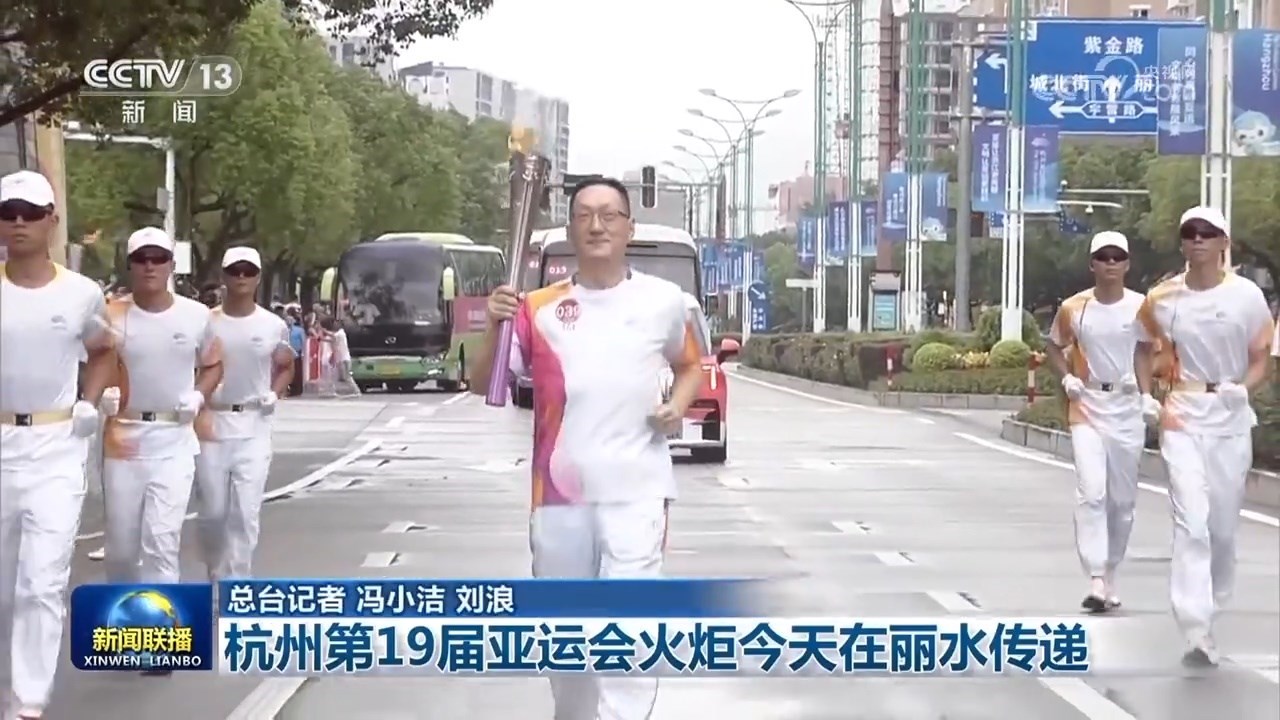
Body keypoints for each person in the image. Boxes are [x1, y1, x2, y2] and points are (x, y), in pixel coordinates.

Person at [468, 176, 703, 720]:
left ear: (629, 228)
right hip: (558, 499)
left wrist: (677, 405)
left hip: (637, 490)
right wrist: (494, 328)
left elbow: (691, 364)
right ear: (571, 228)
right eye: (584, 215)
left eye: (609, 215)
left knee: (630, 626)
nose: (597, 225)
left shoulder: (664, 301)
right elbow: (484, 384)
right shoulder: (536, 308)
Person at [1134, 206, 1273, 667]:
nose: (1198, 240)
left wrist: (1242, 388)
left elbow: (1261, 357)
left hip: (1229, 417)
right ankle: (1195, 624)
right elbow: (1143, 347)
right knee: (1191, 522)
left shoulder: (1247, 296)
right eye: (1190, 233)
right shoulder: (1162, 298)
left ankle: (1212, 607)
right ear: (1182, 242)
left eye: (1207, 233)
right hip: (1182, 414)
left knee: (1222, 530)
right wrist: (1145, 395)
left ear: (1223, 243)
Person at [0, 171, 114, 720]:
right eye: (8, 213)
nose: (18, 222)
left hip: (56, 444)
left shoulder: (81, 293)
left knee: (41, 581)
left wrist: (89, 401)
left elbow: (104, 349)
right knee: (7, 586)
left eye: (30, 212)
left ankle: (28, 701)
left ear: (51, 220)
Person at [98, 227, 222, 677]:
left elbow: (213, 364)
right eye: (141, 258)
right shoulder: (110, 315)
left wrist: (198, 395)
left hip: (174, 437)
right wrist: (98, 395)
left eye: (158, 258)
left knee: (161, 540)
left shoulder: (196, 316)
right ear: (130, 265)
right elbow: (89, 364)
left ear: (171, 264)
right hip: (123, 439)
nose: (150, 266)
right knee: (121, 548)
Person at [1045, 231, 1145, 614]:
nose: (1110, 263)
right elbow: (1054, 344)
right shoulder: (1075, 307)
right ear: (1092, 264)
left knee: (1122, 501)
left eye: (1117, 257)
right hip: (1087, 405)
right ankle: (1096, 578)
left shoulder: (1142, 307)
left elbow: (1156, 350)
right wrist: (1067, 377)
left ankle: (1112, 571)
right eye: (1103, 257)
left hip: (1127, 406)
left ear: (1127, 264)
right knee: (1092, 493)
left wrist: (1145, 386)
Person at [193, 247, 293, 584]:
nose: (241, 277)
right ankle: (215, 573)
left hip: (253, 423)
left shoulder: (273, 325)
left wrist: (274, 392)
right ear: (223, 276)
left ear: (258, 277)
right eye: (234, 271)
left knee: (245, 513)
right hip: (211, 423)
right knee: (213, 513)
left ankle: (238, 585)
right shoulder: (205, 322)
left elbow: (286, 364)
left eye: (248, 271)